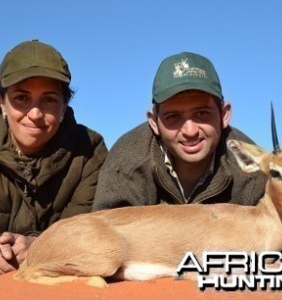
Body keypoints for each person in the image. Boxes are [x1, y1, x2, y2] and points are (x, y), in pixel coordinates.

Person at [0, 40, 108, 277]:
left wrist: (40, 245)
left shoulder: (90, 152)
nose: (35, 113)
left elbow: (87, 228)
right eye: (21, 98)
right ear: (2, 103)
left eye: (49, 99)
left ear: (63, 107)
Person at [92, 51, 266, 211]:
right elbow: (106, 236)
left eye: (202, 113)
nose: (190, 131)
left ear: (224, 115)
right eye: (173, 116)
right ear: (154, 122)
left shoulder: (254, 170)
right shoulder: (127, 160)